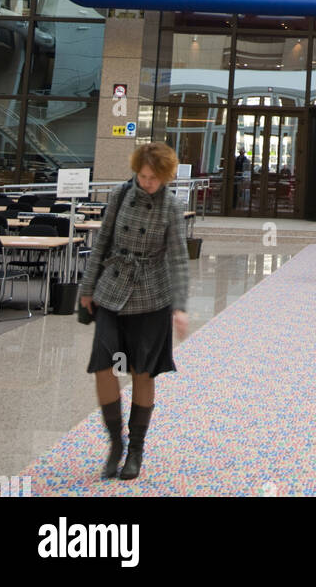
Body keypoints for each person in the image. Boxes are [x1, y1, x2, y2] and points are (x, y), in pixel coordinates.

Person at [79, 142, 189, 481]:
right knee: (103, 366)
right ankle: (115, 444)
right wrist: (86, 289)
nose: (148, 183)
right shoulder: (119, 195)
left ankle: (136, 451)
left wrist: (181, 306)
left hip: (152, 299)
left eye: (155, 178)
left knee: (142, 372)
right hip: (112, 292)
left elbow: (178, 259)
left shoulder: (171, 206)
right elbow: (102, 243)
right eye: (143, 176)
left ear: (166, 177)